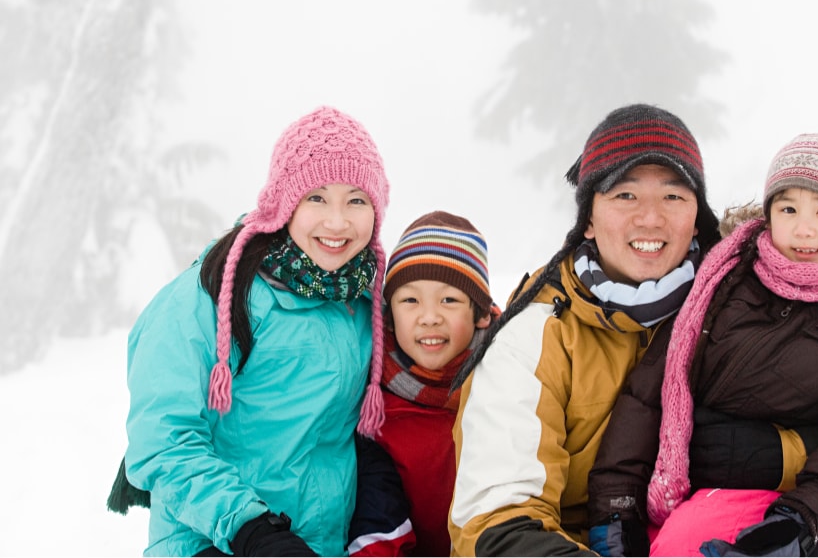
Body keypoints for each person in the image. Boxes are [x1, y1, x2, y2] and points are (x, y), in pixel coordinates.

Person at [589, 131, 818, 556]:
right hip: (669, 491)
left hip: (777, 504)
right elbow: (647, 396)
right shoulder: (725, 279)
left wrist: (797, 520)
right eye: (788, 208)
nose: (803, 228)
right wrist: (614, 509)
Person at [444, 103, 724, 556]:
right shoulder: (537, 332)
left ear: (697, 215)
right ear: (588, 219)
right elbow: (496, 520)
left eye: (673, 196)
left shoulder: (731, 312)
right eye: (625, 195)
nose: (650, 218)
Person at [117, 105, 391, 556]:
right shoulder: (216, 293)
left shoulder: (363, 301)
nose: (338, 222)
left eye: (356, 200)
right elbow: (163, 438)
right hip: (214, 541)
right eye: (317, 198)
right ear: (286, 203)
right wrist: (251, 530)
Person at [347, 211, 499, 556]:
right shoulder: (375, 404)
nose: (429, 317)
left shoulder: (507, 383)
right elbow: (376, 520)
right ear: (389, 313)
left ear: (482, 314)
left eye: (449, 300)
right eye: (410, 300)